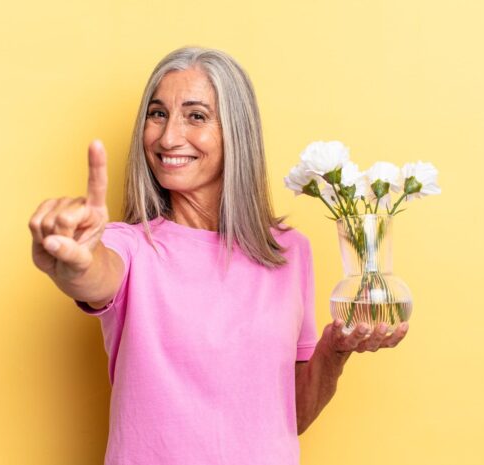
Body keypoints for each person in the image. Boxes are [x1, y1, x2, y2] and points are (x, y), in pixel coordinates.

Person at [28, 47, 408, 465]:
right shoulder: (129, 246)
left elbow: (288, 416)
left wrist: (334, 350)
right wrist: (76, 264)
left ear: (236, 133)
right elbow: (96, 276)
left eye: (195, 116)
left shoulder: (288, 251)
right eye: (157, 114)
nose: (168, 136)